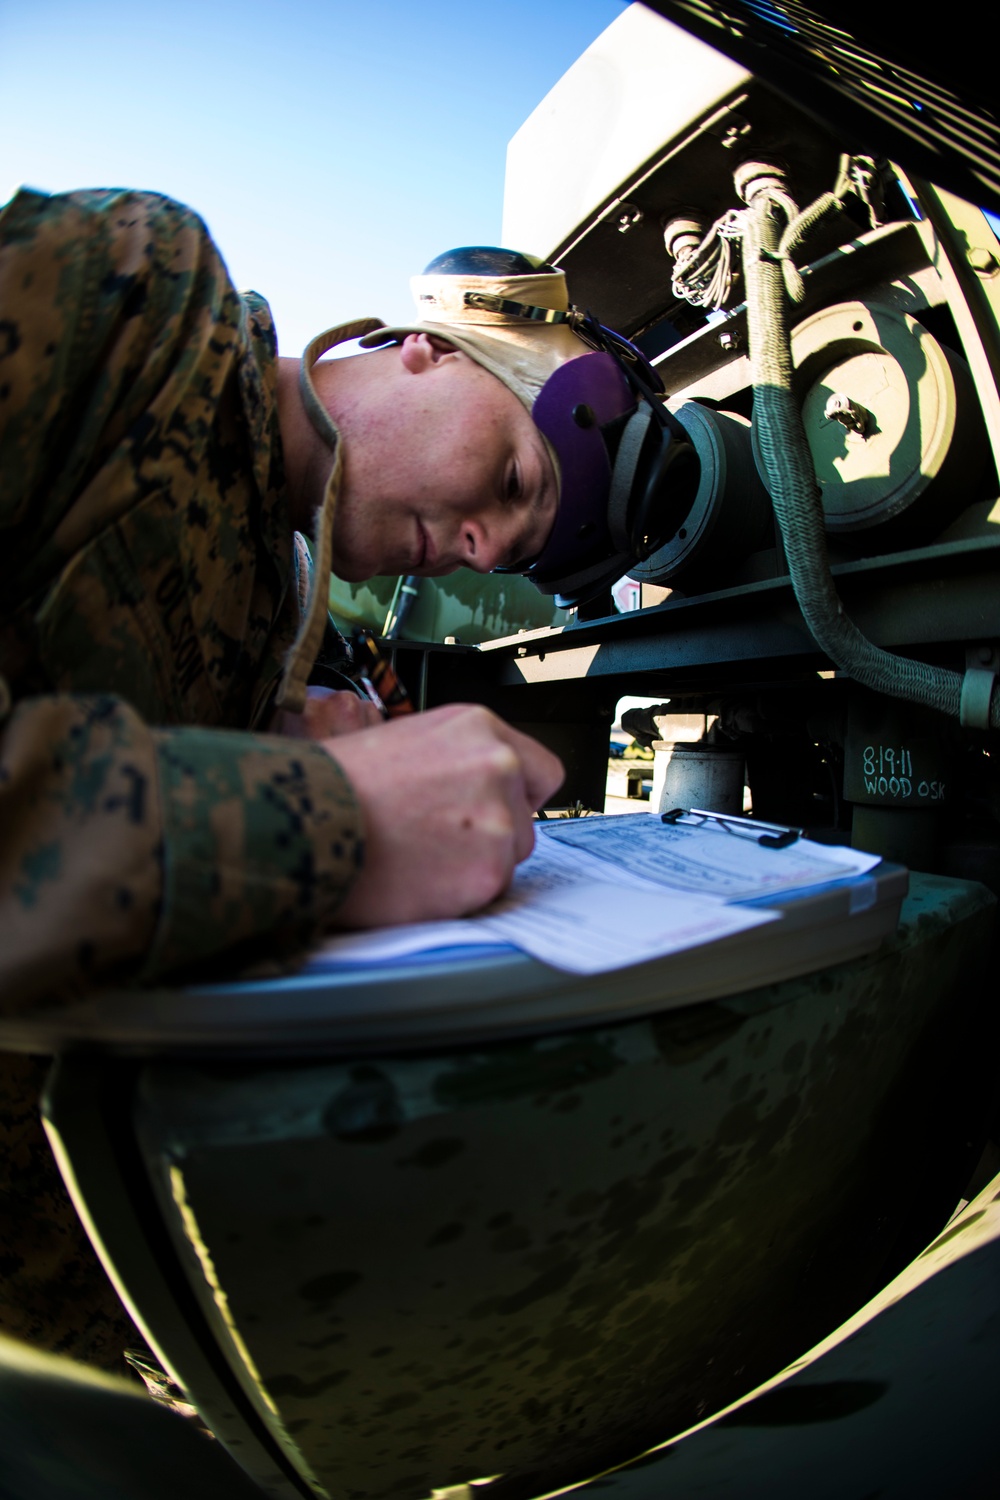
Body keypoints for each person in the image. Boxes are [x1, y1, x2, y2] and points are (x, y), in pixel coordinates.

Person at [2, 185, 684, 1370]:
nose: (483, 546)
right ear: (420, 348)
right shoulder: (143, 304)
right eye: (514, 481)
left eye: (513, 553)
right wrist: (327, 821)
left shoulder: (280, 609)